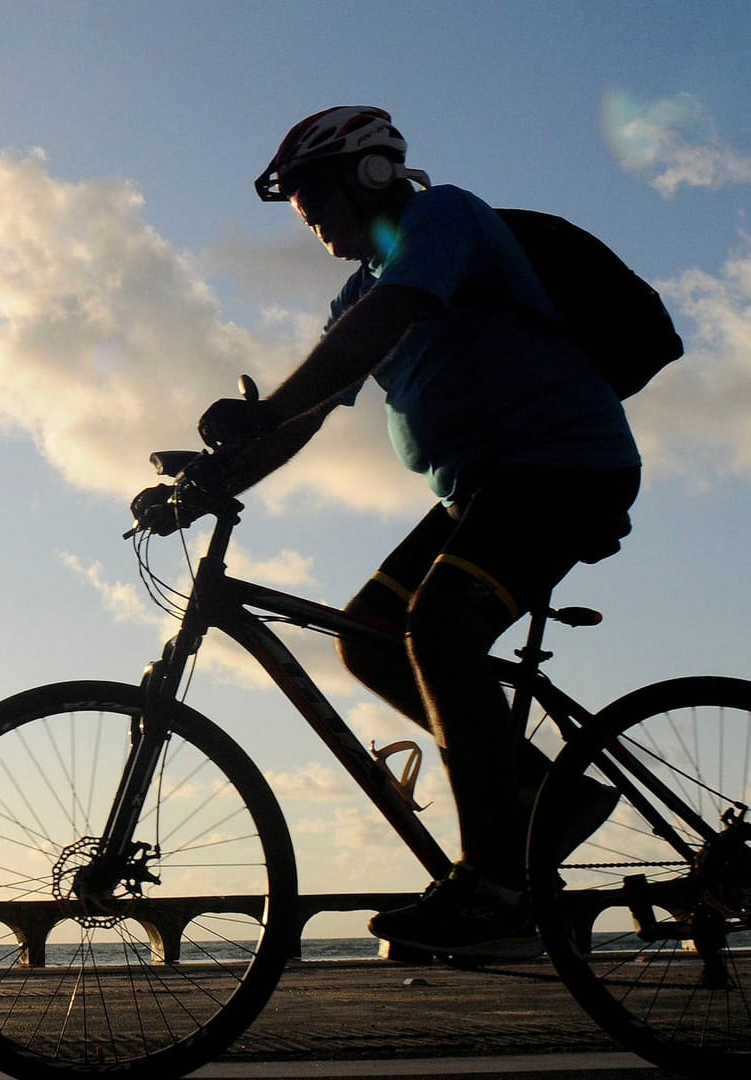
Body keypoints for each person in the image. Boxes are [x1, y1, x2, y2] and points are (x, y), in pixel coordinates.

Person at [188, 106, 638, 958]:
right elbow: (308, 417)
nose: (306, 215)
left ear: (368, 173)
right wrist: (211, 481)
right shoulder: (358, 290)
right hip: (484, 491)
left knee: (437, 630)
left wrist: (265, 411)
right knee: (366, 639)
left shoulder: (438, 221)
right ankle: (549, 800)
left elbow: (383, 325)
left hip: (563, 467)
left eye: (313, 193)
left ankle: (496, 886)